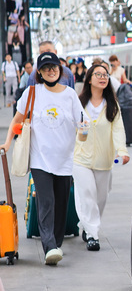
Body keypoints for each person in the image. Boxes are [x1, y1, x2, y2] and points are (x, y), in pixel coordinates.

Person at [0, 52, 87, 266]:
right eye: (46, 67)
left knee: (61, 205)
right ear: (39, 72)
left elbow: (82, 126)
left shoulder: (69, 95)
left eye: (54, 67)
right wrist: (7, 142)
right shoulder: (32, 92)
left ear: (60, 69)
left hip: (65, 160)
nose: (51, 70)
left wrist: (84, 132)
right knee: (46, 201)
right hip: (40, 159)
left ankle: (55, 244)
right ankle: (49, 246)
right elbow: (16, 120)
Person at [73, 64, 129, 251]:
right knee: (87, 194)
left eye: (105, 75)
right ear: (89, 79)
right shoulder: (79, 103)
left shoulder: (112, 105)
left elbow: (118, 129)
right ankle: (93, 235)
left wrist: (122, 150)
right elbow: (70, 129)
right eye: (98, 74)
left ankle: (86, 225)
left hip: (104, 161)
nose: (102, 77)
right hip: (81, 158)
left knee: (100, 199)